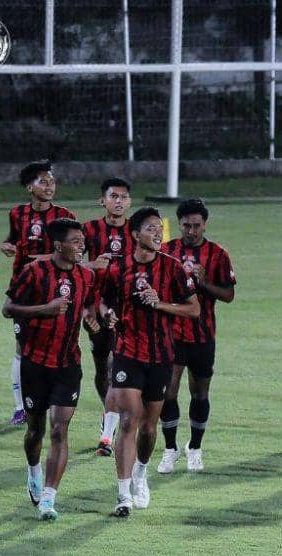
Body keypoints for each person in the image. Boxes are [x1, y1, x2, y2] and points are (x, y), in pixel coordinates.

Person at [101, 208, 199, 517]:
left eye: (160, 228)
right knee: (130, 420)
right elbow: (103, 301)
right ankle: (122, 494)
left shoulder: (172, 268)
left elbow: (193, 309)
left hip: (161, 356)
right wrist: (107, 314)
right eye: (151, 228)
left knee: (148, 426)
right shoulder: (118, 269)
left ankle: (141, 474)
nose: (158, 233)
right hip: (129, 352)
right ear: (135, 235)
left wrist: (161, 304)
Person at [2, 219, 98, 521]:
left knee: (60, 429)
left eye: (82, 240)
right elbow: (8, 308)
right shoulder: (33, 272)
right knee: (36, 431)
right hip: (34, 363)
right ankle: (33, 471)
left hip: (68, 364)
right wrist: (44, 309)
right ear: (58, 245)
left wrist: (94, 320)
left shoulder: (87, 275)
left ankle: (48, 498)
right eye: (75, 241)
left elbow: (88, 307)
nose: (81, 245)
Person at [156, 199, 236, 473]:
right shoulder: (166, 252)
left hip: (203, 336)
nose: (191, 231)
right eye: (186, 225)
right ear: (178, 225)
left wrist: (204, 284)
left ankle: (195, 448)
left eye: (197, 226)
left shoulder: (218, 254)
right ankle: (169, 449)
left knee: (200, 393)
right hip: (173, 334)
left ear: (205, 224)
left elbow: (229, 295)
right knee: (168, 391)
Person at [0, 160, 75, 425]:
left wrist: (41, 258)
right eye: (43, 181)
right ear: (29, 187)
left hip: (56, 289)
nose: (49, 186)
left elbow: (75, 252)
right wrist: (8, 245)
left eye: (52, 181)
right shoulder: (17, 213)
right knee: (23, 348)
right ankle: (21, 407)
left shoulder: (65, 215)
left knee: (56, 346)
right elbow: (13, 239)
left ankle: (55, 401)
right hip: (24, 290)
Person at [82, 177, 133, 453]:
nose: (118, 201)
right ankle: (108, 409)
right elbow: (72, 265)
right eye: (113, 196)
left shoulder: (136, 231)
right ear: (103, 200)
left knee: (116, 367)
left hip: (125, 308)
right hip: (94, 306)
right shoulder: (89, 230)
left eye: (123, 197)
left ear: (129, 202)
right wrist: (87, 308)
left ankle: (107, 435)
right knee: (102, 367)